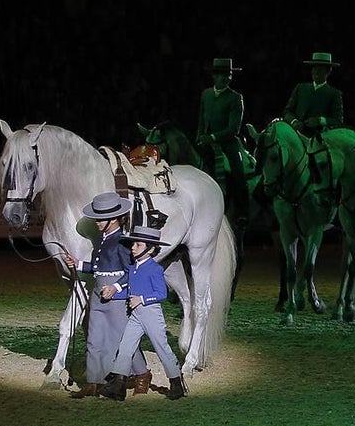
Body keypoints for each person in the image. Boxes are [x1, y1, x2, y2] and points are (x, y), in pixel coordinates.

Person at [61, 192, 151, 398]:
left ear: (115, 219)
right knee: (94, 337)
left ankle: (142, 373)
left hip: (116, 297)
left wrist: (117, 288)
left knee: (122, 338)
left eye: (101, 218)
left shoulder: (122, 242)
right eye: (97, 218)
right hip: (98, 292)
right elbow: (100, 266)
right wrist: (79, 264)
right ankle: (95, 381)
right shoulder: (103, 240)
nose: (97, 222)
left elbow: (133, 271)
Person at [98, 225, 187, 401]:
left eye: (138, 245)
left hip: (150, 313)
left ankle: (176, 382)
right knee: (125, 347)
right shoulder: (133, 269)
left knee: (161, 348)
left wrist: (142, 299)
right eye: (133, 244)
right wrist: (113, 292)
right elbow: (131, 290)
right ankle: (118, 385)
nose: (133, 247)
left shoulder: (155, 269)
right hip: (136, 314)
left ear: (151, 249)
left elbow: (162, 294)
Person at [195, 57, 250, 235]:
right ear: (214, 76)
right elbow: (202, 120)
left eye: (228, 75)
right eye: (221, 75)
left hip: (228, 142)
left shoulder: (235, 98)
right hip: (206, 141)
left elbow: (233, 128)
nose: (225, 78)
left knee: (237, 169)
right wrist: (200, 137)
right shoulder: (206, 94)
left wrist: (212, 137)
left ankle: (242, 211)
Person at [283, 51, 345, 135]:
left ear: (328, 71)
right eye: (314, 68)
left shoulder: (334, 94)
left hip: (318, 141)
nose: (316, 71)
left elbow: (338, 121)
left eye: (320, 68)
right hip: (295, 136)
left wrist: (319, 121)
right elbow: (287, 111)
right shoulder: (300, 88)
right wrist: (294, 122)